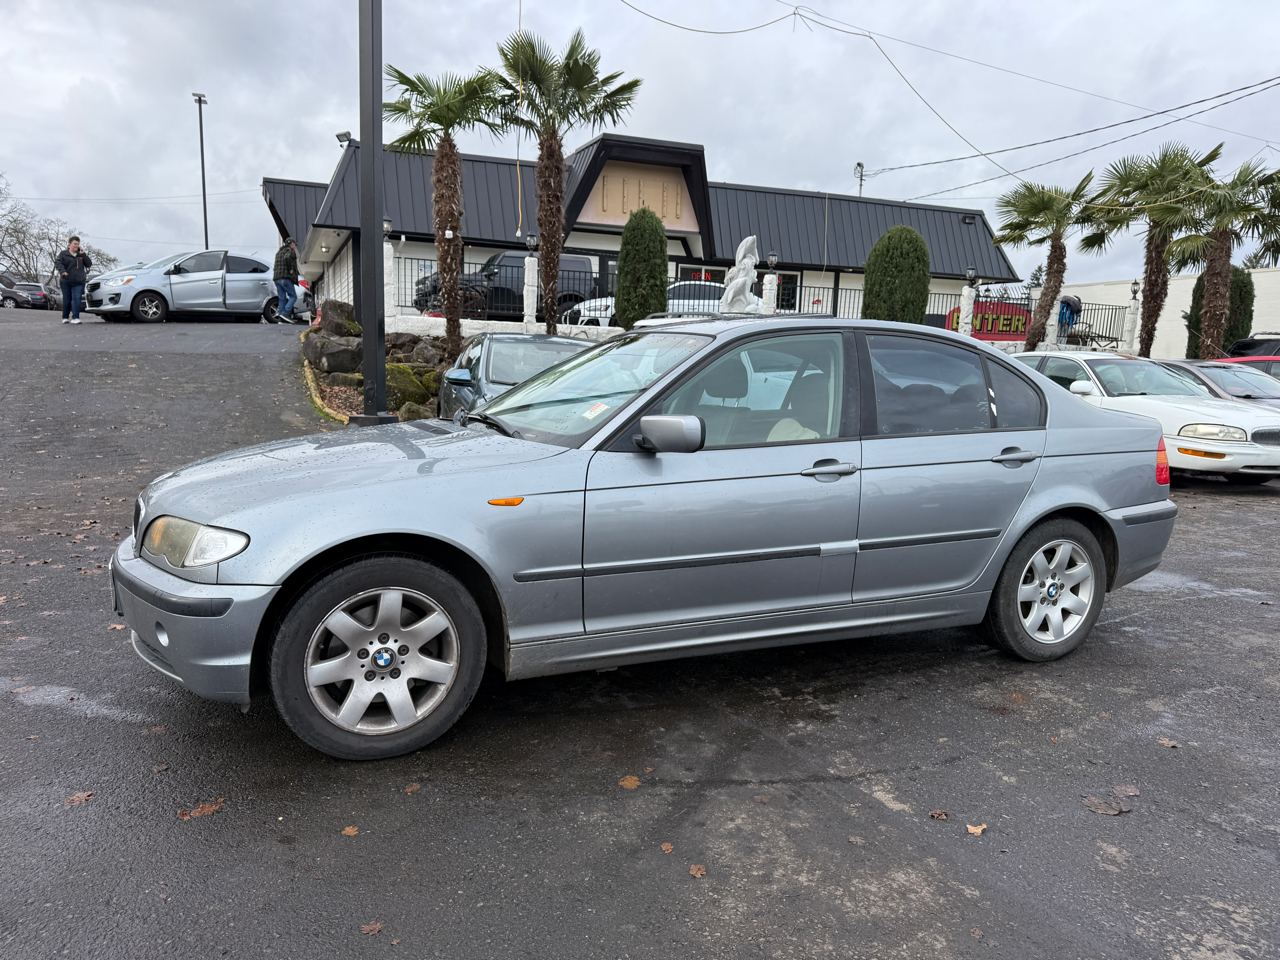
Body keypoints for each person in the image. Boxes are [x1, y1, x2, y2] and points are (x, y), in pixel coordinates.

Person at [56, 236, 92, 324]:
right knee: (67, 299)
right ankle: (65, 317)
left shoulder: (81, 255)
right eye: (75, 244)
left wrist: (83, 255)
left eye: (78, 244)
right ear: (70, 244)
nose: (77, 246)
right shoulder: (63, 254)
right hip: (66, 281)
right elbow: (58, 262)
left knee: (77, 298)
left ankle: (76, 317)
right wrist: (62, 271)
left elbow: (88, 264)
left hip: (78, 282)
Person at [272, 237, 299, 324]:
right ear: (292, 244)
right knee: (293, 296)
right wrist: (290, 269)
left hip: (277, 278)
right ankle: (285, 313)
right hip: (285, 277)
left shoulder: (278, 253)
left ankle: (281, 318)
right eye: (295, 245)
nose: (295, 247)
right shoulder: (290, 251)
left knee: (282, 298)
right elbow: (287, 257)